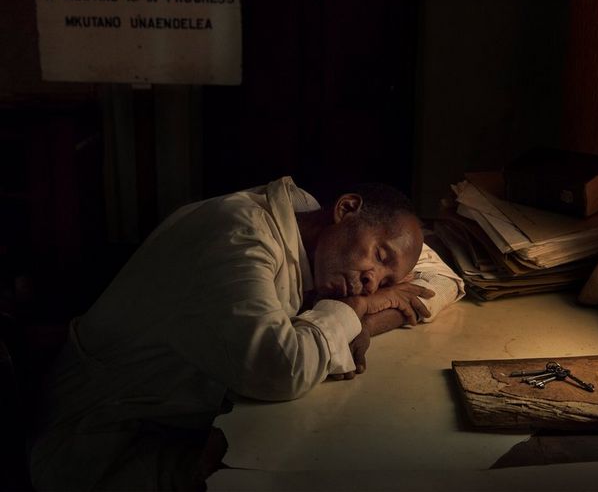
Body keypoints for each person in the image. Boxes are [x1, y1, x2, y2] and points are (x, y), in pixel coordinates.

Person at [29, 176, 463, 491]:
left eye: (388, 280)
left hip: (185, 419)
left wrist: (365, 317)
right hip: (105, 448)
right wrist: (357, 310)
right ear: (346, 209)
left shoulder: (310, 227)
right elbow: (278, 367)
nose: (374, 279)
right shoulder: (240, 234)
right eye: (379, 256)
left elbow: (442, 280)